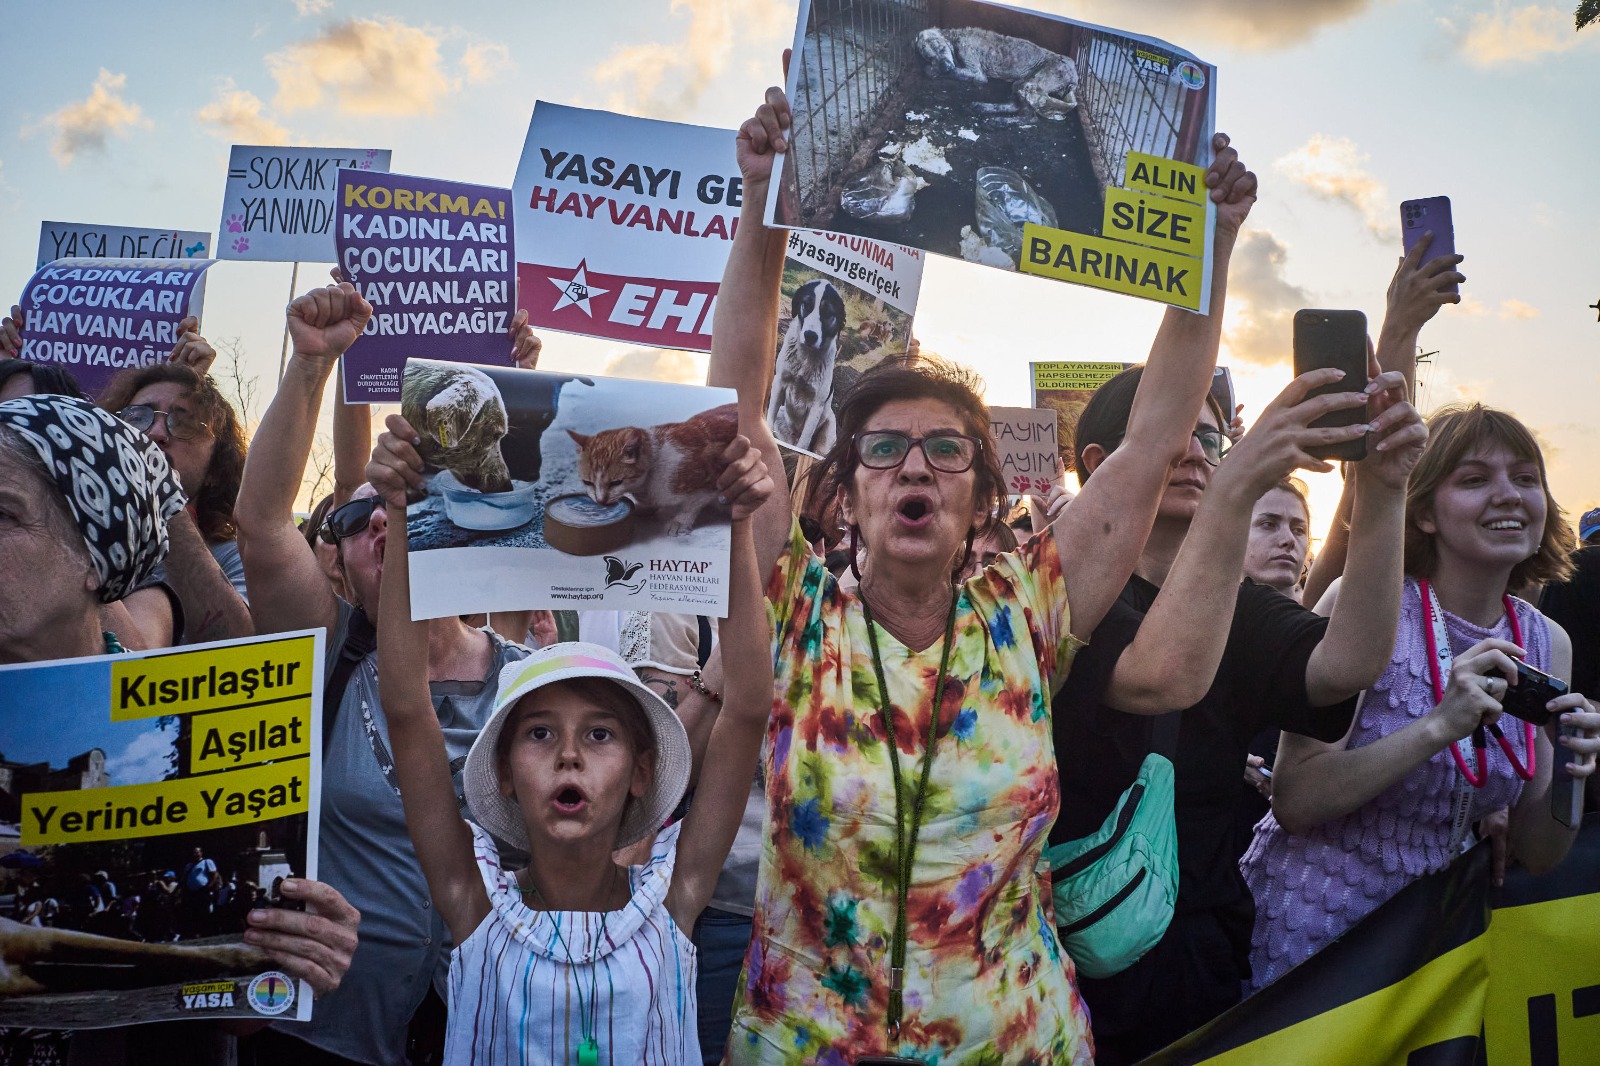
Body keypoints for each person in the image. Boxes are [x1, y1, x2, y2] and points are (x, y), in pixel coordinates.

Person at [709, 74, 1258, 1063]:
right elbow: (739, 414)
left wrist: (1210, 252)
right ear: (847, 489)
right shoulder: (796, 604)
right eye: (883, 449)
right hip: (806, 1042)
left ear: (980, 490)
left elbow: (1149, 440)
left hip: (1013, 1042)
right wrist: (763, 208)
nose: (914, 464)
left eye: (944, 449)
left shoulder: (1029, 609)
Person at [1050, 348, 1424, 1061]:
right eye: (1172, 434)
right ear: (1099, 462)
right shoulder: (1057, 585)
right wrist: (1238, 486)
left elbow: (1349, 661)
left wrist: (1383, 490)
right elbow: (1158, 676)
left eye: (1213, 438)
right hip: (1066, 944)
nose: (1197, 453)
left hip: (1200, 946)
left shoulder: (1243, 607)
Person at [367, 407, 772, 1062]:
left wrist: (738, 524)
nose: (569, 755)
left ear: (642, 771)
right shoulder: (473, 905)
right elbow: (408, 707)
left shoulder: (676, 900)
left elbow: (747, 708)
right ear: (501, 770)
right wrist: (408, 510)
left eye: (602, 734)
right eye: (538, 734)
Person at [233, 283, 541, 1066]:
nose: (383, 520)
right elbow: (263, 523)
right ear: (332, 558)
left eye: (402, 504)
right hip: (320, 1041)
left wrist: (512, 390)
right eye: (358, 515)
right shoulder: (327, 656)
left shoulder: (534, 684)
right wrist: (310, 367)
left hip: (488, 1036)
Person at [0, 393, 359, 1063]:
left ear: (94, 555)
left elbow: (239, 1015)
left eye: (3, 513)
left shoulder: (200, 727)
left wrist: (294, 948)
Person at [1243, 404, 1600, 991]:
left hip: (1432, 949)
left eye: (1526, 478)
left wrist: (1572, 771)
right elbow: (1296, 798)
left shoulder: (1545, 641)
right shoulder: (1364, 606)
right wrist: (1438, 726)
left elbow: (1539, 852)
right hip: (1314, 939)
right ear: (1427, 510)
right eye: (1475, 479)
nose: (1509, 495)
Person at [97, 347, 256, 646]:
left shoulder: (235, 558)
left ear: (216, 469)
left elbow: (235, 656)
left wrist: (162, 494)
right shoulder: (67, 535)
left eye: (184, 423)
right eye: (137, 417)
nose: (156, 432)